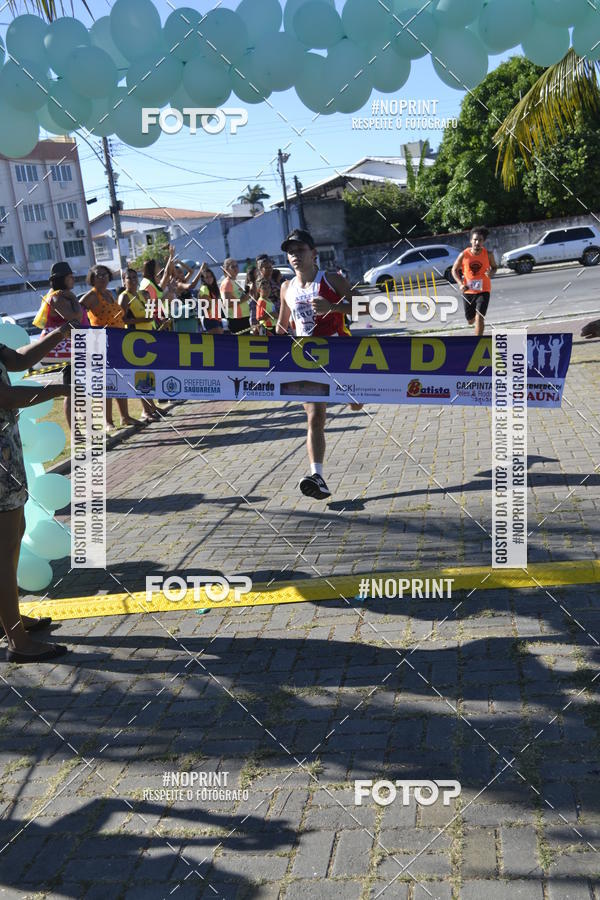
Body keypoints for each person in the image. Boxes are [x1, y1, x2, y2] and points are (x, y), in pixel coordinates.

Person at [0, 322, 75, 662]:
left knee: (15, 535)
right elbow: (5, 396)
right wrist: (58, 387)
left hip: (7, 451)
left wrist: (59, 334)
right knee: (4, 550)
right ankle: (17, 641)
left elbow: (15, 360)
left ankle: (8, 620)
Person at [276, 228, 362, 500]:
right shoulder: (286, 288)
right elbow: (282, 327)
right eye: (291, 252)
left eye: (300, 250)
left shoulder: (332, 280)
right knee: (315, 416)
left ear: (313, 254)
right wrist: (266, 328)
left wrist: (333, 308)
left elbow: (369, 308)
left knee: (355, 404)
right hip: (307, 359)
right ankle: (317, 476)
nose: (295, 256)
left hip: (340, 353)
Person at [80, 265, 138, 431]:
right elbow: (77, 312)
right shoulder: (91, 296)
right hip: (100, 343)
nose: (103, 278)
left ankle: (125, 416)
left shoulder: (110, 294)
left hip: (118, 341)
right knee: (106, 384)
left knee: (120, 380)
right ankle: (107, 421)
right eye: (98, 275)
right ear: (92, 278)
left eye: (105, 274)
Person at [32, 261, 88, 430]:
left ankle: (84, 428)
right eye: (70, 277)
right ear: (61, 279)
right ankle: (76, 431)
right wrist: (73, 298)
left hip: (75, 348)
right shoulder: (58, 297)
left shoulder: (62, 295)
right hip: (68, 351)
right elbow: (75, 318)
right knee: (71, 390)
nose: (73, 279)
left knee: (79, 390)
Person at [118, 268, 161, 421]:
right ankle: (145, 410)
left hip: (148, 337)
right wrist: (142, 321)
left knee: (149, 374)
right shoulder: (124, 297)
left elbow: (150, 315)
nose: (133, 280)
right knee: (140, 375)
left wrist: (150, 300)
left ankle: (152, 405)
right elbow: (120, 320)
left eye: (135, 277)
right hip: (134, 339)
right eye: (129, 278)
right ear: (124, 281)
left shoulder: (142, 295)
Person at [452, 226, 498, 336]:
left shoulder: (488, 254)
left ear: (483, 242)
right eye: (475, 240)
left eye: (480, 240)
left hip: (484, 290)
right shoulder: (464, 255)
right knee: (470, 320)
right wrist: (460, 284)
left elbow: (494, 267)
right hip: (468, 291)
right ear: (471, 240)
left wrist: (491, 273)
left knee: (479, 317)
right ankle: (472, 321)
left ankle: (477, 343)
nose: (477, 242)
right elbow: (454, 269)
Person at [220, 258, 252, 334]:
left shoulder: (235, 281)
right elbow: (226, 304)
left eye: (236, 266)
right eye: (232, 267)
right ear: (226, 269)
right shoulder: (227, 283)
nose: (236, 268)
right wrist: (243, 299)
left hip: (244, 318)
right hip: (236, 320)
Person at [171, 261, 203, 334]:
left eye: (181, 272)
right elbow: (192, 286)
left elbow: (191, 271)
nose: (182, 274)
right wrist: (200, 271)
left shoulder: (183, 281)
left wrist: (180, 262)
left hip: (190, 312)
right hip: (185, 315)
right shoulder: (178, 284)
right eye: (179, 273)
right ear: (175, 276)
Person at [198, 265, 224, 333]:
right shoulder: (204, 288)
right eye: (206, 277)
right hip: (210, 319)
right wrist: (217, 299)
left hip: (217, 319)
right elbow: (207, 306)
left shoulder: (214, 289)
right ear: (203, 279)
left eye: (210, 276)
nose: (209, 279)